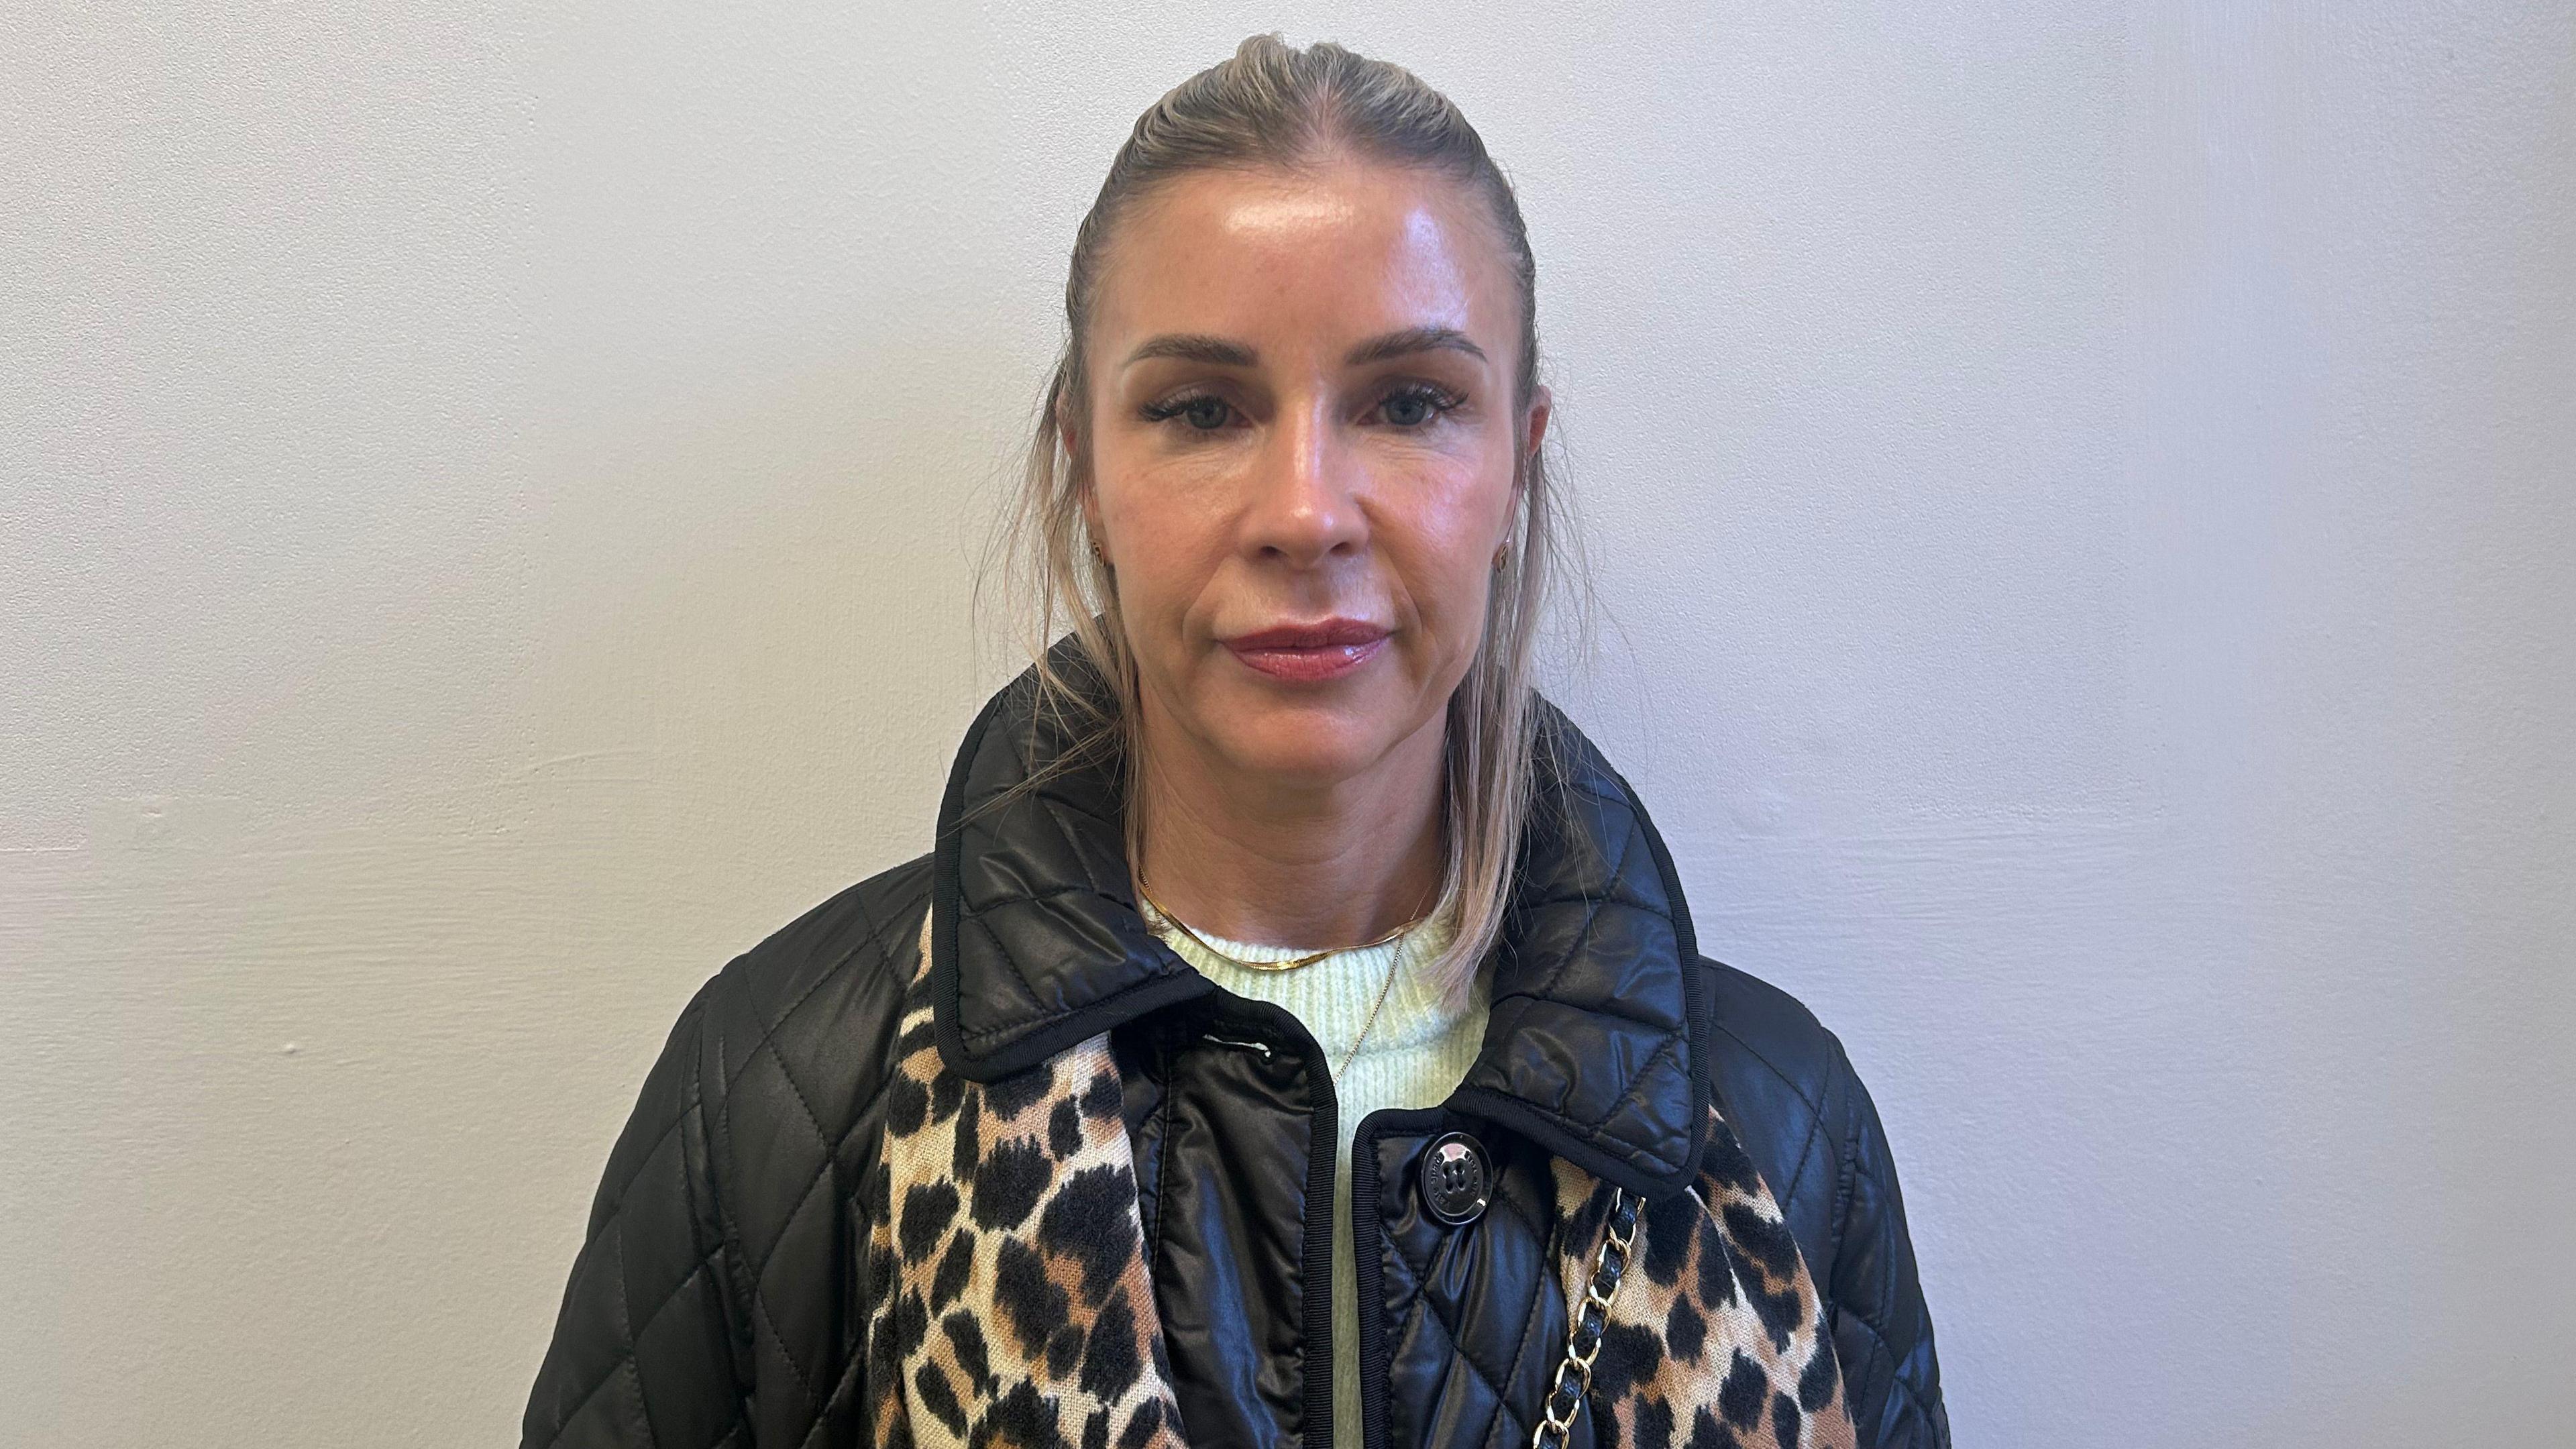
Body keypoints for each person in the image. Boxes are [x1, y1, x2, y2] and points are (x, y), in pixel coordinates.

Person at [521, 33, 1947, 1449]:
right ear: (1083, 464)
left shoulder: (1779, 1118)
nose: (1304, 512)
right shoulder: (776, 1097)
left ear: (1518, 458)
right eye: (1202, 410)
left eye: (1408, 404)